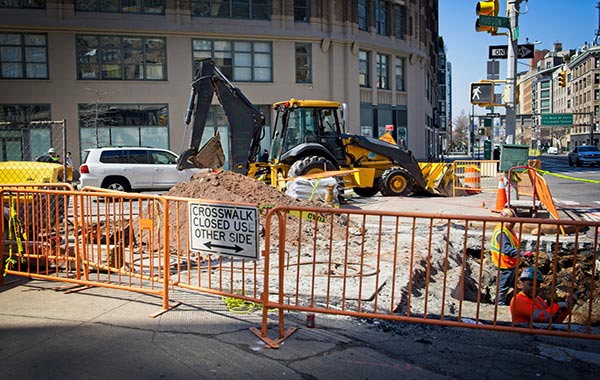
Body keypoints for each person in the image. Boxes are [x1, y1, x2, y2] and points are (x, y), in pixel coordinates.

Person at [488, 208, 532, 305]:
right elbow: (506, 249)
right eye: (511, 222)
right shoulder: (502, 233)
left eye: (514, 222)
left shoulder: (507, 229)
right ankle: (499, 304)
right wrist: (521, 253)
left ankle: (513, 301)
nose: (513, 224)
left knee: (510, 284)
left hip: (510, 263)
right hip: (505, 264)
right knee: (503, 286)